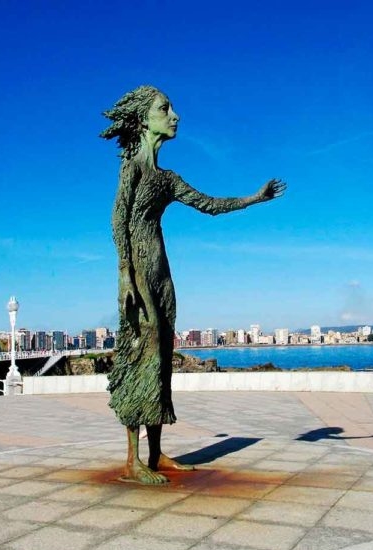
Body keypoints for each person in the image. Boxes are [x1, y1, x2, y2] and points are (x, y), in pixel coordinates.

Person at [100, 86, 284, 484]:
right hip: (139, 277)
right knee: (140, 355)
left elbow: (210, 205)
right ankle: (133, 462)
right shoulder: (132, 167)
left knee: (162, 357)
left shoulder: (167, 179)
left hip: (162, 275)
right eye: (165, 109)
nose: (175, 115)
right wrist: (124, 274)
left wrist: (255, 198)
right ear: (144, 118)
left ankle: (155, 453)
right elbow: (118, 220)